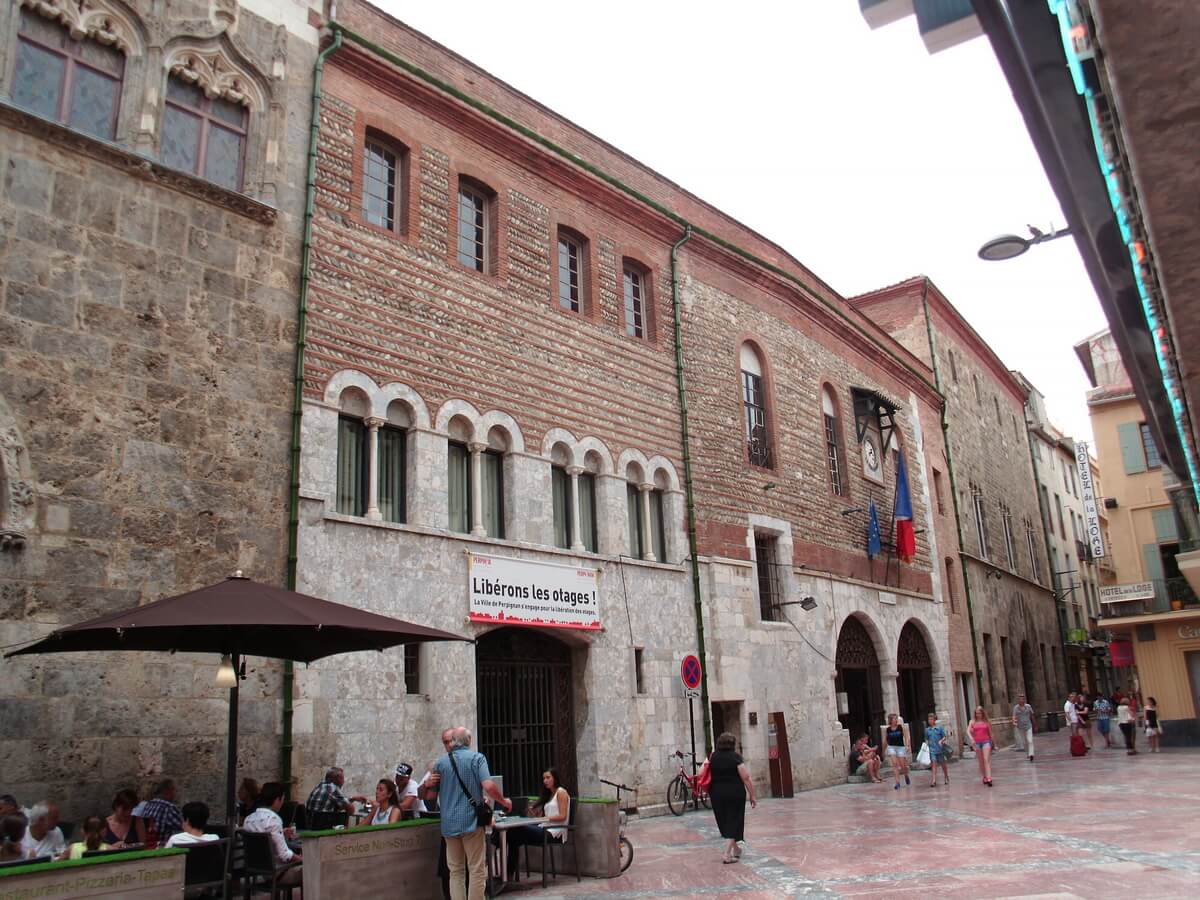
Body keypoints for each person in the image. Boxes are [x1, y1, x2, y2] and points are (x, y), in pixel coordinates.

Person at [428, 726, 511, 900]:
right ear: (469, 741)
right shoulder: (477, 758)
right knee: (476, 869)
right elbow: (488, 786)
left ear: (454, 742)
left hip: (449, 824)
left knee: (456, 871)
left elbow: (430, 796)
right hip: (471, 822)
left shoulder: (441, 763)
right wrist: (504, 801)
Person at [501, 768, 570, 875]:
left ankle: (507, 874)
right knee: (513, 836)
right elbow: (545, 816)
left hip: (554, 832)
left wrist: (544, 819)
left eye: (548, 778)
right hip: (545, 827)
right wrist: (535, 813)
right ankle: (507, 875)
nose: (545, 781)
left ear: (555, 778)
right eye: (544, 778)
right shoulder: (549, 794)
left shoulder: (561, 792)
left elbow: (563, 816)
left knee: (516, 831)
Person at [707, 731, 756, 864]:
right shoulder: (735, 757)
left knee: (725, 821)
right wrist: (752, 795)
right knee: (734, 820)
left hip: (716, 793)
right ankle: (727, 854)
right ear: (732, 744)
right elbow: (746, 777)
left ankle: (736, 849)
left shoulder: (713, 757)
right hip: (734, 793)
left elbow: (702, 772)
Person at [243, 783, 302, 887]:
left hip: (258, 870)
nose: (282, 803)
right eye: (282, 799)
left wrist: (281, 833)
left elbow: (262, 839)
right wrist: (302, 859)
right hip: (279, 873)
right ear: (277, 800)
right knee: (313, 869)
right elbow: (285, 855)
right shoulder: (273, 819)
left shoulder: (248, 819)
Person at [140, 779, 183, 844]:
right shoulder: (168, 808)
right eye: (174, 790)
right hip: (162, 846)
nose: (175, 794)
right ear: (168, 791)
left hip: (147, 845)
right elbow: (184, 826)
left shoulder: (148, 804)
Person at [883, 713, 911, 790]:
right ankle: (897, 782)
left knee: (902, 765)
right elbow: (886, 740)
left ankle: (906, 775)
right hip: (891, 747)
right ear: (891, 720)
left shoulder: (900, 727)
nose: (896, 720)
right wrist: (883, 749)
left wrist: (907, 745)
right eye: (894, 719)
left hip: (900, 747)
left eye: (896, 719)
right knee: (895, 764)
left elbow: (906, 736)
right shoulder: (888, 729)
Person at [970, 706, 995, 786]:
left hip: (986, 742)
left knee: (986, 759)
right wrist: (972, 739)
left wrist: (994, 743)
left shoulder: (986, 722)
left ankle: (989, 778)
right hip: (977, 743)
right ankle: (984, 776)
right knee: (981, 762)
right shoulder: (972, 722)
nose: (978, 715)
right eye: (976, 713)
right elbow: (968, 731)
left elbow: (991, 733)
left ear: (982, 713)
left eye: (979, 713)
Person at [925, 713, 950, 787]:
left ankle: (946, 776)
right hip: (932, 749)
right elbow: (926, 738)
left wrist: (941, 741)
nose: (930, 721)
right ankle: (934, 780)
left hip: (940, 749)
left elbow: (945, 736)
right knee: (934, 764)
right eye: (929, 719)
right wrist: (926, 745)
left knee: (943, 764)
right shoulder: (927, 730)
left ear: (934, 720)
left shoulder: (939, 728)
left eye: (931, 719)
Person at [1012, 693, 1036, 762]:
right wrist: (1014, 721)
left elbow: (1032, 715)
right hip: (1020, 727)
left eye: (1022, 699)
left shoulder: (1028, 706)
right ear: (1018, 700)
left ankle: (1031, 754)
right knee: (1024, 741)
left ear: (1024, 700)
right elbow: (1014, 716)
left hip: (1028, 725)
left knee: (1030, 740)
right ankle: (1028, 753)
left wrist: (1034, 724)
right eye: (1020, 699)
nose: (1021, 700)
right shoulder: (1016, 708)